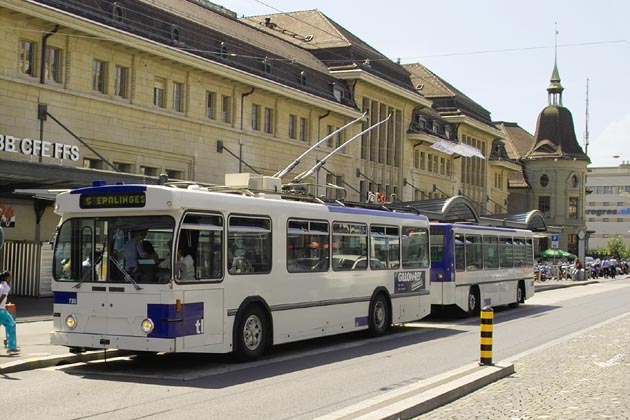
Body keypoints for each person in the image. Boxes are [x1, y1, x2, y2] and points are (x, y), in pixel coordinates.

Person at [0, 271, 19, 355]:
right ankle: (11, 346)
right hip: (1, 310)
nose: (11, 278)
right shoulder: (6, 287)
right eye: (10, 276)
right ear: (7, 278)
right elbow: (2, 298)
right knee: (11, 324)